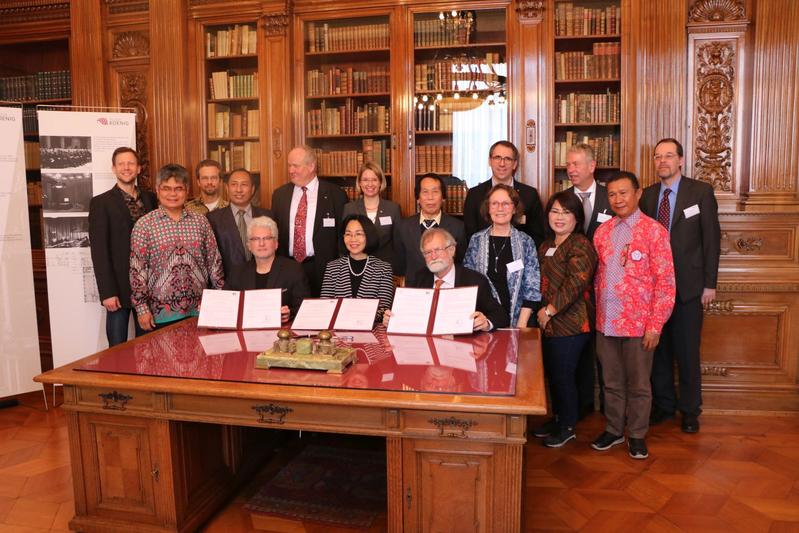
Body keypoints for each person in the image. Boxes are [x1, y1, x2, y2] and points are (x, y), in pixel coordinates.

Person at [591, 171, 675, 460]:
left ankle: (637, 435)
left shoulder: (654, 231)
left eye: (623, 192)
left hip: (640, 325)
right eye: (612, 194)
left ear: (638, 193)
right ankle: (614, 429)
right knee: (611, 382)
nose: (617, 199)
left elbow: (665, 282)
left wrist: (655, 325)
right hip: (606, 321)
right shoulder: (602, 232)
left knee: (639, 384)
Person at [641, 138, 721, 434]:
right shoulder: (647, 196)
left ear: (681, 160)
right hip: (653, 289)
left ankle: (689, 410)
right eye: (657, 156)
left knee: (687, 352)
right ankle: (664, 406)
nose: (662, 161)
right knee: (657, 352)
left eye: (669, 156)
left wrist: (709, 284)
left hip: (689, 288)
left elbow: (711, 240)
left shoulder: (700, 192)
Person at [531, 191, 598, 447]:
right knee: (553, 374)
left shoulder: (580, 245)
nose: (559, 217)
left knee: (564, 375)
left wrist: (548, 311)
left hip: (572, 323)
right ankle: (558, 419)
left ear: (577, 218)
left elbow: (575, 284)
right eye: (555, 211)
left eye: (566, 212)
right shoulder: (547, 245)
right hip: (548, 324)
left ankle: (568, 426)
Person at [130, 164, 224, 331]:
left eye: (178, 188)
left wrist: (220, 301)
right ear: (158, 190)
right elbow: (137, 271)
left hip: (200, 310)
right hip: (160, 314)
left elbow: (214, 262)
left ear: (187, 190)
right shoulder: (144, 225)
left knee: (201, 357)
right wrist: (142, 309)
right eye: (166, 188)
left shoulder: (200, 221)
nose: (172, 194)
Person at [88, 147, 157, 346]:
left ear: (139, 168)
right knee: (116, 349)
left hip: (148, 286)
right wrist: (107, 292)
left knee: (147, 345)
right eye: (121, 164)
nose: (126, 168)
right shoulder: (101, 203)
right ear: (114, 168)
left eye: (131, 164)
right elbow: (99, 251)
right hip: (118, 288)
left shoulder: (151, 199)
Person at [565, 143, 613, 418]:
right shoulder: (562, 198)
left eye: (576, 164)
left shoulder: (612, 197)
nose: (570, 169)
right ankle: (582, 405)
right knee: (580, 348)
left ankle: (610, 406)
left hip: (606, 286)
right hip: (574, 289)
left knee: (607, 352)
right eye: (568, 164)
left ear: (591, 166)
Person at [385, 227, 509, 331]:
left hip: (463, 348)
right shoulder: (418, 278)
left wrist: (486, 322)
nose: (433, 256)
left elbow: (501, 315)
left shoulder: (475, 280)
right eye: (428, 252)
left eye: (438, 250)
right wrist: (392, 318)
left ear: (451, 250)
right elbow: (405, 312)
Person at [271, 145, 348, 296]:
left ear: (311, 166)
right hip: (288, 267)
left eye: (295, 166)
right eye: (289, 165)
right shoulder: (279, 195)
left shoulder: (335, 195)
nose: (290, 170)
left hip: (324, 269)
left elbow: (342, 235)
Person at [463, 184, 540, 328]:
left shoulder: (526, 242)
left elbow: (532, 286)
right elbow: (468, 283)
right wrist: (481, 321)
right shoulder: (477, 240)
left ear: (514, 208)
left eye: (506, 203)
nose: (500, 208)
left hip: (518, 320)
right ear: (488, 208)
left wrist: (521, 325)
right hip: (484, 321)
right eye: (494, 203)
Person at [226, 216, 310, 322]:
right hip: (246, 333)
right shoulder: (237, 272)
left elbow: (304, 308)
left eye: (267, 238)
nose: (261, 244)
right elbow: (226, 307)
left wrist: (290, 314)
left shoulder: (293, 270)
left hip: (281, 334)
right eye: (256, 239)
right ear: (249, 245)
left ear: (276, 243)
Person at [463, 140, 546, 246]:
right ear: (490, 161)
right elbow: (470, 234)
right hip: (484, 257)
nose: (502, 164)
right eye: (497, 158)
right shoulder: (474, 194)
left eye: (507, 159)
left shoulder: (530, 194)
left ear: (515, 164)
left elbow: (537, 235)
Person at [320, 214, 395, 323]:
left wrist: (356, 318)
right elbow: (325, 305)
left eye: (359, 234)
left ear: (368, 236)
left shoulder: (383, 268)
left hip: (370, 331)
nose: (353, 239)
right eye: (348, 234)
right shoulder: (332, 267)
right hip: (338, 331)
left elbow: (383, 308)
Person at [394, 173, 465, 287]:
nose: (430, 197)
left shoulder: (458, 227)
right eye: (425, 192)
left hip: (446, 288)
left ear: (443, 198)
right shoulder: (403, 227)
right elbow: (400, 265)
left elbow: (460, 263)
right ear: (418, 198)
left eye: (435, 192)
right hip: (414, 289)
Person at [207, 168, 274, 278]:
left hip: (263, 281)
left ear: (252, 189)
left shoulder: (268, 216)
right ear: (227, 188)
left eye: (244, 185)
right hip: (228, 282)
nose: (239, 189)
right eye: (234, 184)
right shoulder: (213, 219)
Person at [342, 162, 401, 271]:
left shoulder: (393, 209)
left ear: (380, 183)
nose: (370, 184)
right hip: (356, 267)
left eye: (374, 179)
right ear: (359, 183)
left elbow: (398, 245)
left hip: (386, 269)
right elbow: (344, 243)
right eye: (365, 180)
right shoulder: (349, 208)